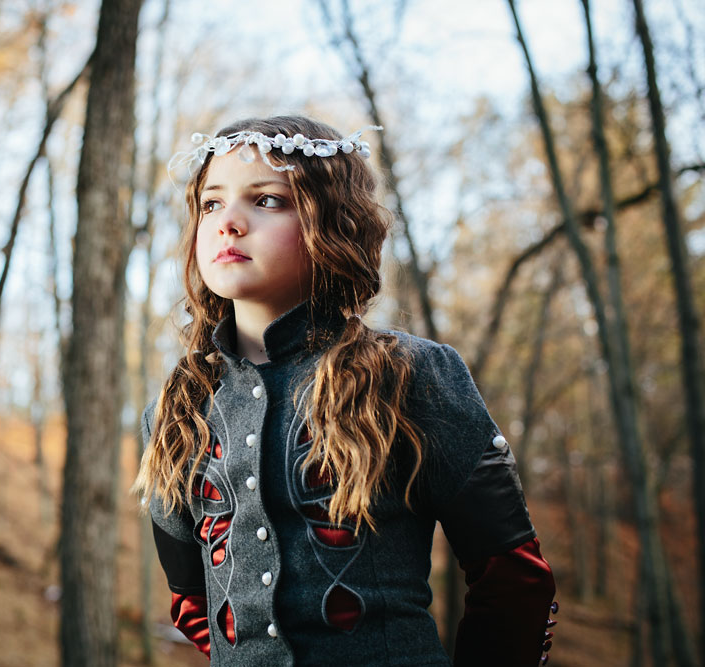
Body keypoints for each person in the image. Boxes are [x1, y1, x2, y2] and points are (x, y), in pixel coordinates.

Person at [132, 115, 557, 666]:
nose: (228, 223)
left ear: (332, 224)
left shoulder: (413, 375)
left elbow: (513, 576)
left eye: (266, 201)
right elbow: (193, 602)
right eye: (211, 204)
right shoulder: (174, 412)